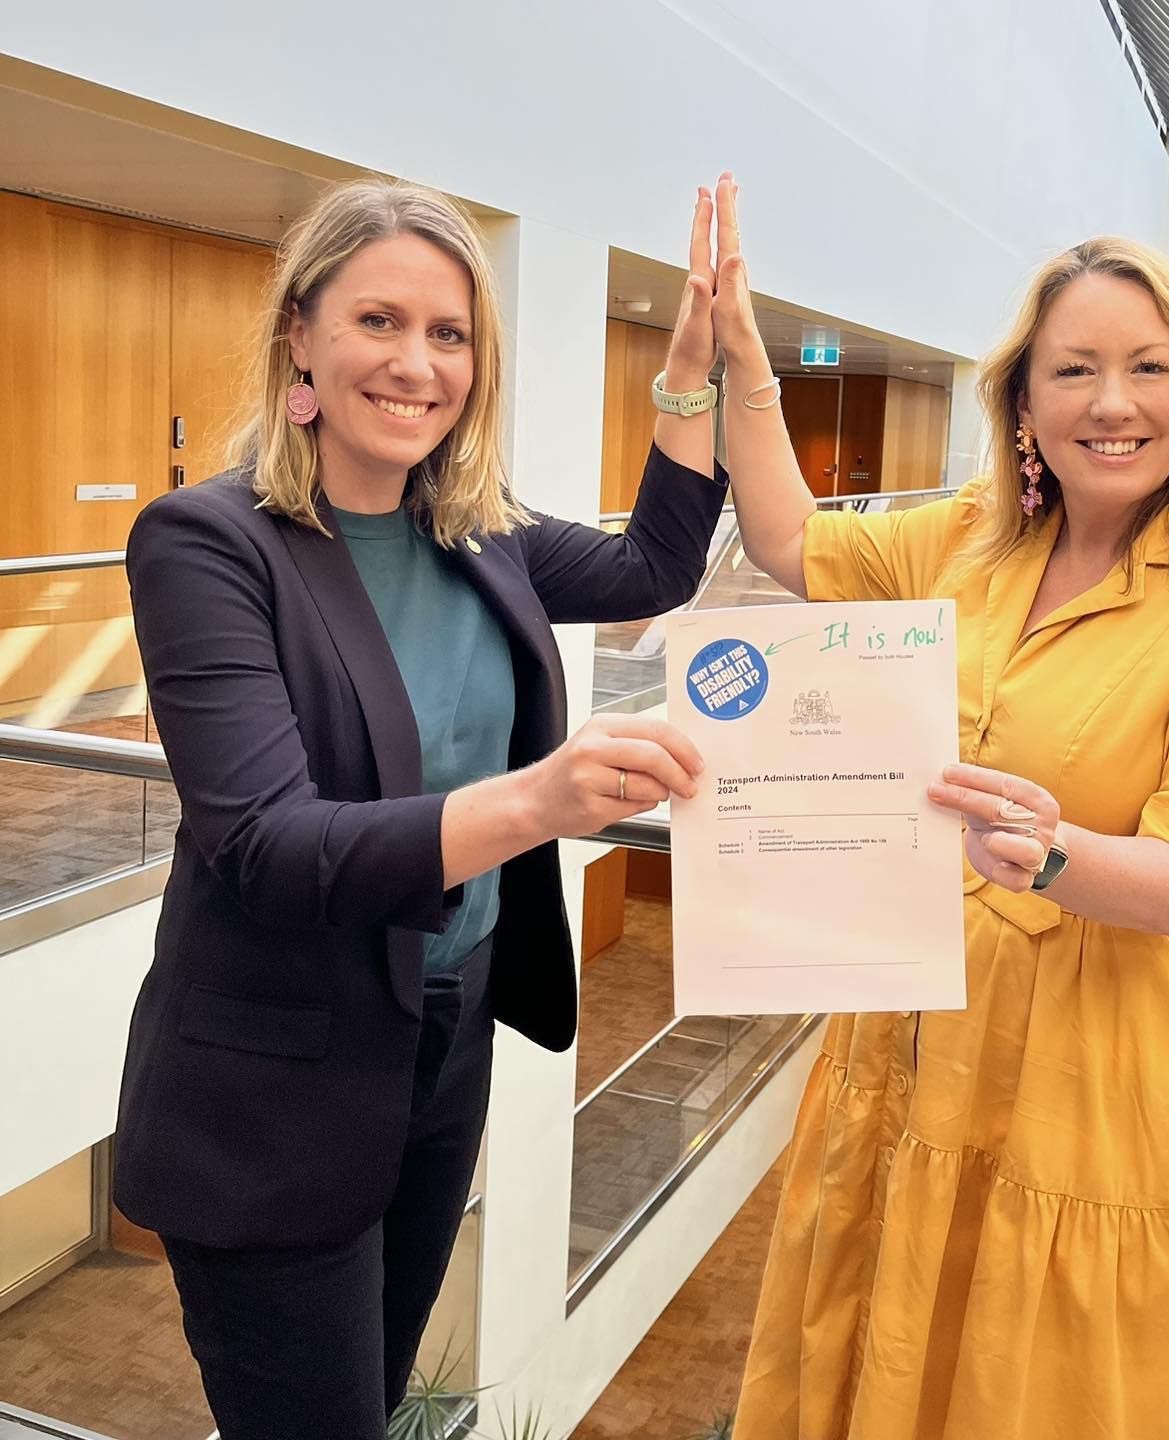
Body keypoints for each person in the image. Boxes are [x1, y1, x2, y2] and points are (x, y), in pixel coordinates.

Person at [703, 175, 1169, 1438]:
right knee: (890, 1340)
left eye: (1147, 368)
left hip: (1092, 1070)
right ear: (1025, 405)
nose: (1112, 402)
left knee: (1032, 1386)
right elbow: (785, 540)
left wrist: (1049, 854)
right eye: (1073, 371)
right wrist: (741, 358)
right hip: (914, 1030)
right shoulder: (968, 541)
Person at [114, 177, 729, 1439]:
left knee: (377, 1397)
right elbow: (268, 846)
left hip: (444, 1039)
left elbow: (655, 567)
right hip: (276, 1086)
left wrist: (686, 375)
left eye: (450, 334)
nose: (417, 364)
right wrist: (539, 799)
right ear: (301, 334)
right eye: (379, 322)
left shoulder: (477, 532)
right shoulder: (208, 542)